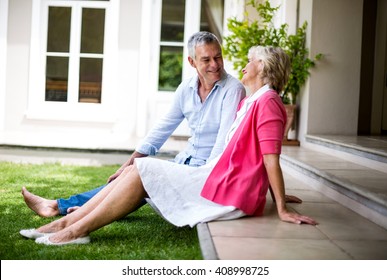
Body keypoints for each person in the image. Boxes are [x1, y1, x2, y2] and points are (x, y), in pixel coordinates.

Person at [20, 46, 317, 245]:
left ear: (262, 66)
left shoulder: (268, 103)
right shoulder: (255, 101)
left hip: (225, 189)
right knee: (139, 168)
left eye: (251, 60)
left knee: (142, 170)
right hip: (220, 179)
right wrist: (270, 189)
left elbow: (269, 158)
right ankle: (66, 224)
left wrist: (280, 207)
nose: (244, 65)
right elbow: (256, 159)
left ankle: (73, 228)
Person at [21, 31, 247, 218]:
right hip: (184, 162)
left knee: (142, 175)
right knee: (132, 174)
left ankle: (67, 208)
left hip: (205, 171)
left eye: (217, 57)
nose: (215, 64)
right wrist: (125, 166)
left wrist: (200, 180)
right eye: (206, 60)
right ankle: (69, 207)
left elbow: (222, 147)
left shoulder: (232, 89)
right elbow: (160, 131)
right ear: (192, 62)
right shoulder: (186, 89)